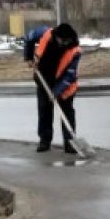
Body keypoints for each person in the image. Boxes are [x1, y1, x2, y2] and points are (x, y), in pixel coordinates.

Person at [24, 22, 81, 154]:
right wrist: (28, 57)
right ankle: (44, 140)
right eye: (61, 40)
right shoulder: (45, 33)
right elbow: (28, 38)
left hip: (65, 84)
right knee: (44, 111)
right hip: (44, 79)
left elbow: (70, 75)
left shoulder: (75, 51)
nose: (63, 43)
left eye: (66, 41)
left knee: (67, 113)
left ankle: (70, 143)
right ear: (56, 36)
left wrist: (56, 92)